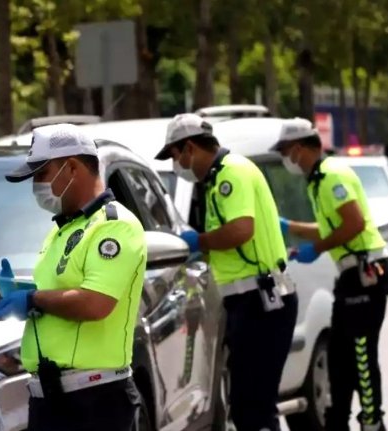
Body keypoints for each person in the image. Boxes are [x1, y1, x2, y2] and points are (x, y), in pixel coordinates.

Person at [0, 123, 146, 431]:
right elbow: (58, 294)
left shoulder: (114, 226)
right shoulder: (62, 231)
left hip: (94, 402)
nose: (36, 185)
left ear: (72, 167)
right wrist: (15, 293)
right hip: (51, 400)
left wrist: (33, 299)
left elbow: (95, 304)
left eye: (41, 175)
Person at [155, 113, 298, 431]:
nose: (178, 164)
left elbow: (240, 231)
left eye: (176, 155)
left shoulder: (230, 173)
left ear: (189, 147)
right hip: (248, 302)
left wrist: (198, 240)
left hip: (260, 301)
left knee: (254, 407)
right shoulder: (217, 178)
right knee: (249, 405)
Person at [273, 118, 388, 431]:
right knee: (339, 356)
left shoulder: (330, 176)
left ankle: (372, 421)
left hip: (366, 271)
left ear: (299, 148)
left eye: (286, 152)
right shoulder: (317, 181)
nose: (287, 159)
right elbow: (332, 227)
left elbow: (353, 223)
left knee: (361, 353)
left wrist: (319, 248)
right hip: (351, 275)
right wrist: (292, 228)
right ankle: (338, 420)